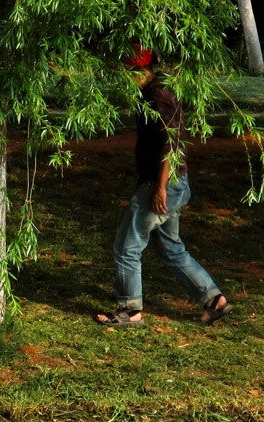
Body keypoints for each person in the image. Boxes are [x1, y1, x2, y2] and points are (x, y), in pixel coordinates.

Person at [96, 46, 232, 327]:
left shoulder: (159, 95)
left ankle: (130, 310)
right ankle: (213, 300)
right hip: (171, 183)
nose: (124, 77)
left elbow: (172, 143)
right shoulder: (152, 91)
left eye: (127, 72)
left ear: (140, 71)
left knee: (126, 247)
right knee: (170, 248)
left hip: (163, 185)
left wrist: (159, 188)